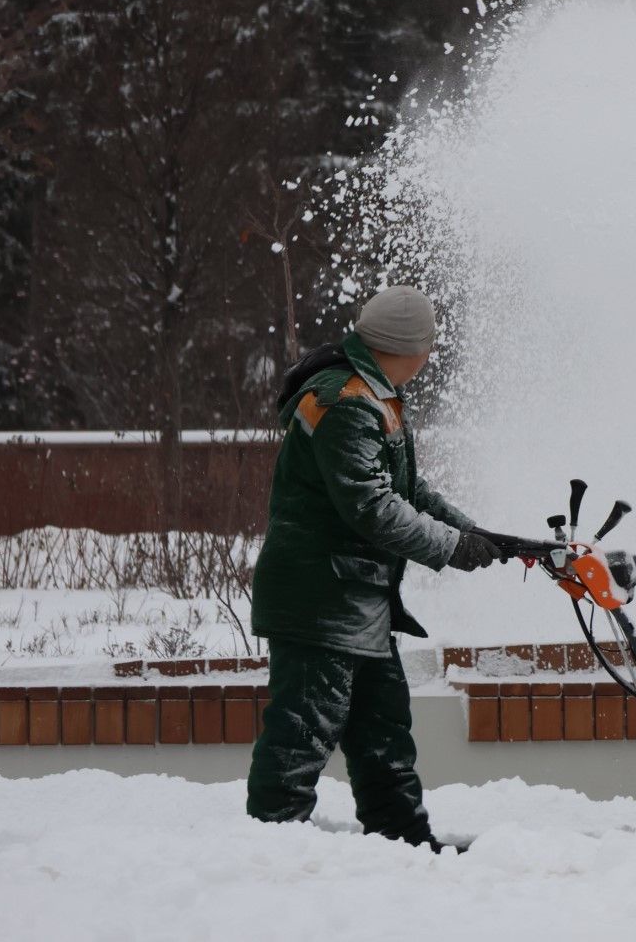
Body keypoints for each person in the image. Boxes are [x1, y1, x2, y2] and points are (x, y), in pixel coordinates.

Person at [245, 285, 503, 851]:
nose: (431, 358)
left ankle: (404, 846)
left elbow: (409, 491)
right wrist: (451, 547)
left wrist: (475, 535)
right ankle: (269, 851)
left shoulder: (374, 395)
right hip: (319, 599)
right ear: (409, 347)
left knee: (383, 729)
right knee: (301, 734)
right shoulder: (345, 400)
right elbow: (370, 506)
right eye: (429, 346)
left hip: (356, 599)